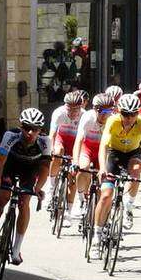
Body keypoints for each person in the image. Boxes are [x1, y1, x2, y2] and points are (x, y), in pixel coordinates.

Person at [0, 108, 51, 266]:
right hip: (10, 166)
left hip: (30, 169)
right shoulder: (10, 136)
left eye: (35, 129)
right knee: (3, 197)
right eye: (26, 127)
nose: (30, 132)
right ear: (21, 126)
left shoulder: (45, 141)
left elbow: (45, 168)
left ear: (40, 130)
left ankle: (16, 248)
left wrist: (38, 187)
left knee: (24, 202)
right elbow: (0, 160)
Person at [91, 93, 141, 258]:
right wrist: (102, 167)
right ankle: (96, 237)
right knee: (106, 195)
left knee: (136, 169)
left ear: (138, 113)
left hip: (133, 153)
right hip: (114, 153)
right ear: (119, 112)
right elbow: (103, 146)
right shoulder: (112, 121)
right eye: (125, 114)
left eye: (133, 114)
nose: (129, 118)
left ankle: (128, 206)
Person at [72, 91, 115, 203]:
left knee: (104, 182)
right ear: (95, 109)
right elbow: (79, 140)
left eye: (108, 111)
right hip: (88, 148)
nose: (104, 115)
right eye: (101, 111)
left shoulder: (113, 120)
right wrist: (75, 161)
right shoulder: (88, 117)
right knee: (83, 168)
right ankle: (81, 199)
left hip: (105, 151)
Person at [48, 90, 84, 225]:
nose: (73, 113)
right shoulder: (59, 113)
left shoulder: (84, 116)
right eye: (70, 109)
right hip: (61, 140)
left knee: (73, 177)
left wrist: (77, 160)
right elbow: (52, 134)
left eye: (76, 109)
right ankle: (51, 186)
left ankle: (68, 212)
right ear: (65, 106)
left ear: (81, 107)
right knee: (57, 152)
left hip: (75, 144)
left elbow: (82, 141)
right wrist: (50, 151)